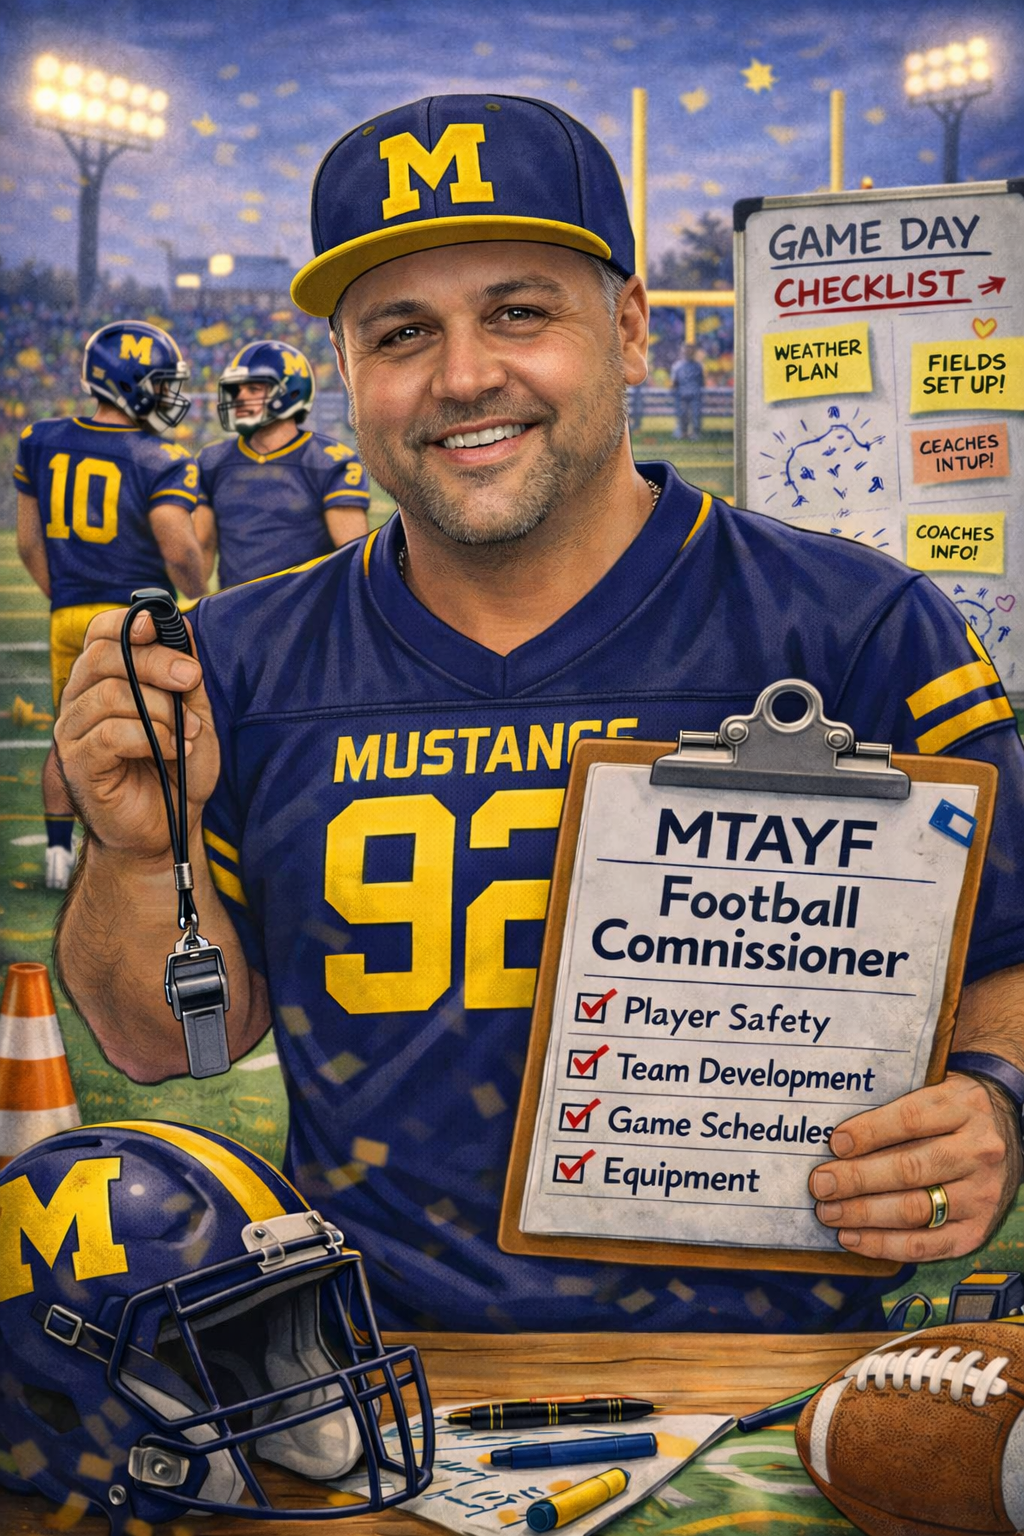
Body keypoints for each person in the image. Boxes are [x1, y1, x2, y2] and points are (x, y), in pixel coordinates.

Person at [54, 95, 1024, 1337]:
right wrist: (138, 853)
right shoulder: (237, 658)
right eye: (402, 332)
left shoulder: (849, 625)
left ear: (625, 328)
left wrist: (994, 1100)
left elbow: (1005, 947)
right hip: (374, 1381)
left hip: (780, 1367)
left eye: (518, 310)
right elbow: (158, 1046)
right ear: (345, 372)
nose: (464, 376)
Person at [14, 319, 205, 888]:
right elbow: (177, 544)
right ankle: (133, 859)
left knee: (68, 734)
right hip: (135, 619)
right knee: (149, 743)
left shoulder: (41, 438)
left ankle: (54, 855)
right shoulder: (158, 456)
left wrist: (66, 597)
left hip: (70, 612)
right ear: (131, 383)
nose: (169, 394)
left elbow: (29, 542)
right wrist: (195, 582)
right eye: (160, 382)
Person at [194, 340, 370, 589]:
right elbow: (202, 545)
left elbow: (354, 556)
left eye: (253, 389)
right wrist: (199, 615)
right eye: (237, 390)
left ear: (291, 392)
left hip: (306, 616)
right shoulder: (212, 460)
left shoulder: (328, 460)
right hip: (235, 615)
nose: (240, 397)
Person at [670, 343, 704, 440]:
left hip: (694, 394)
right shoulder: (677, 366)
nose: (688, 353)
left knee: (696, 415)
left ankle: (695, 433)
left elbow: (701, 381)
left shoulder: (698, 366)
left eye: (690, 351)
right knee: (682, 414)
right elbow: (674, 382)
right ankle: (682, 432)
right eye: (686, 350)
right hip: (681, 395)